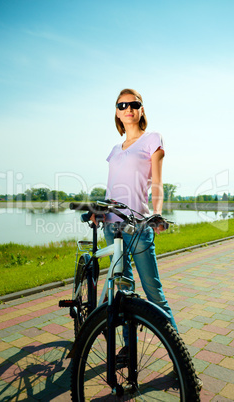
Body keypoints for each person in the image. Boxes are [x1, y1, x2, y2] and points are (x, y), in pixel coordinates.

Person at [92, 88, 178, 349]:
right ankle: (129, 351)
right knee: (123, 293)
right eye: (122, 105)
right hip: (111, 227)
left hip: (139, 226)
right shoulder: (115, 150)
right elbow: (111, 188)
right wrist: (100, 211)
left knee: (154, 294)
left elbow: (157, 184)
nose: (128, 108)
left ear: (141, 109)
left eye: (133, 104)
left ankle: (179, 361)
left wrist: (157, 212)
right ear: (117, 114)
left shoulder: (152, 139)